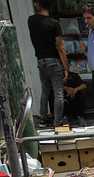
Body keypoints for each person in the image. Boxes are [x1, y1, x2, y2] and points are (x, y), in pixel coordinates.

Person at [28, 0, 69, 128]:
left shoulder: (31, 20)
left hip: (41, 60)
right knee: (58, 91)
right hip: (53, 60)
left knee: (45, 89)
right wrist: (66, 67)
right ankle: (57, 121)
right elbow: (60, 47)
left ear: (39, 4)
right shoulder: (54, 24)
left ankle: (43, 118)